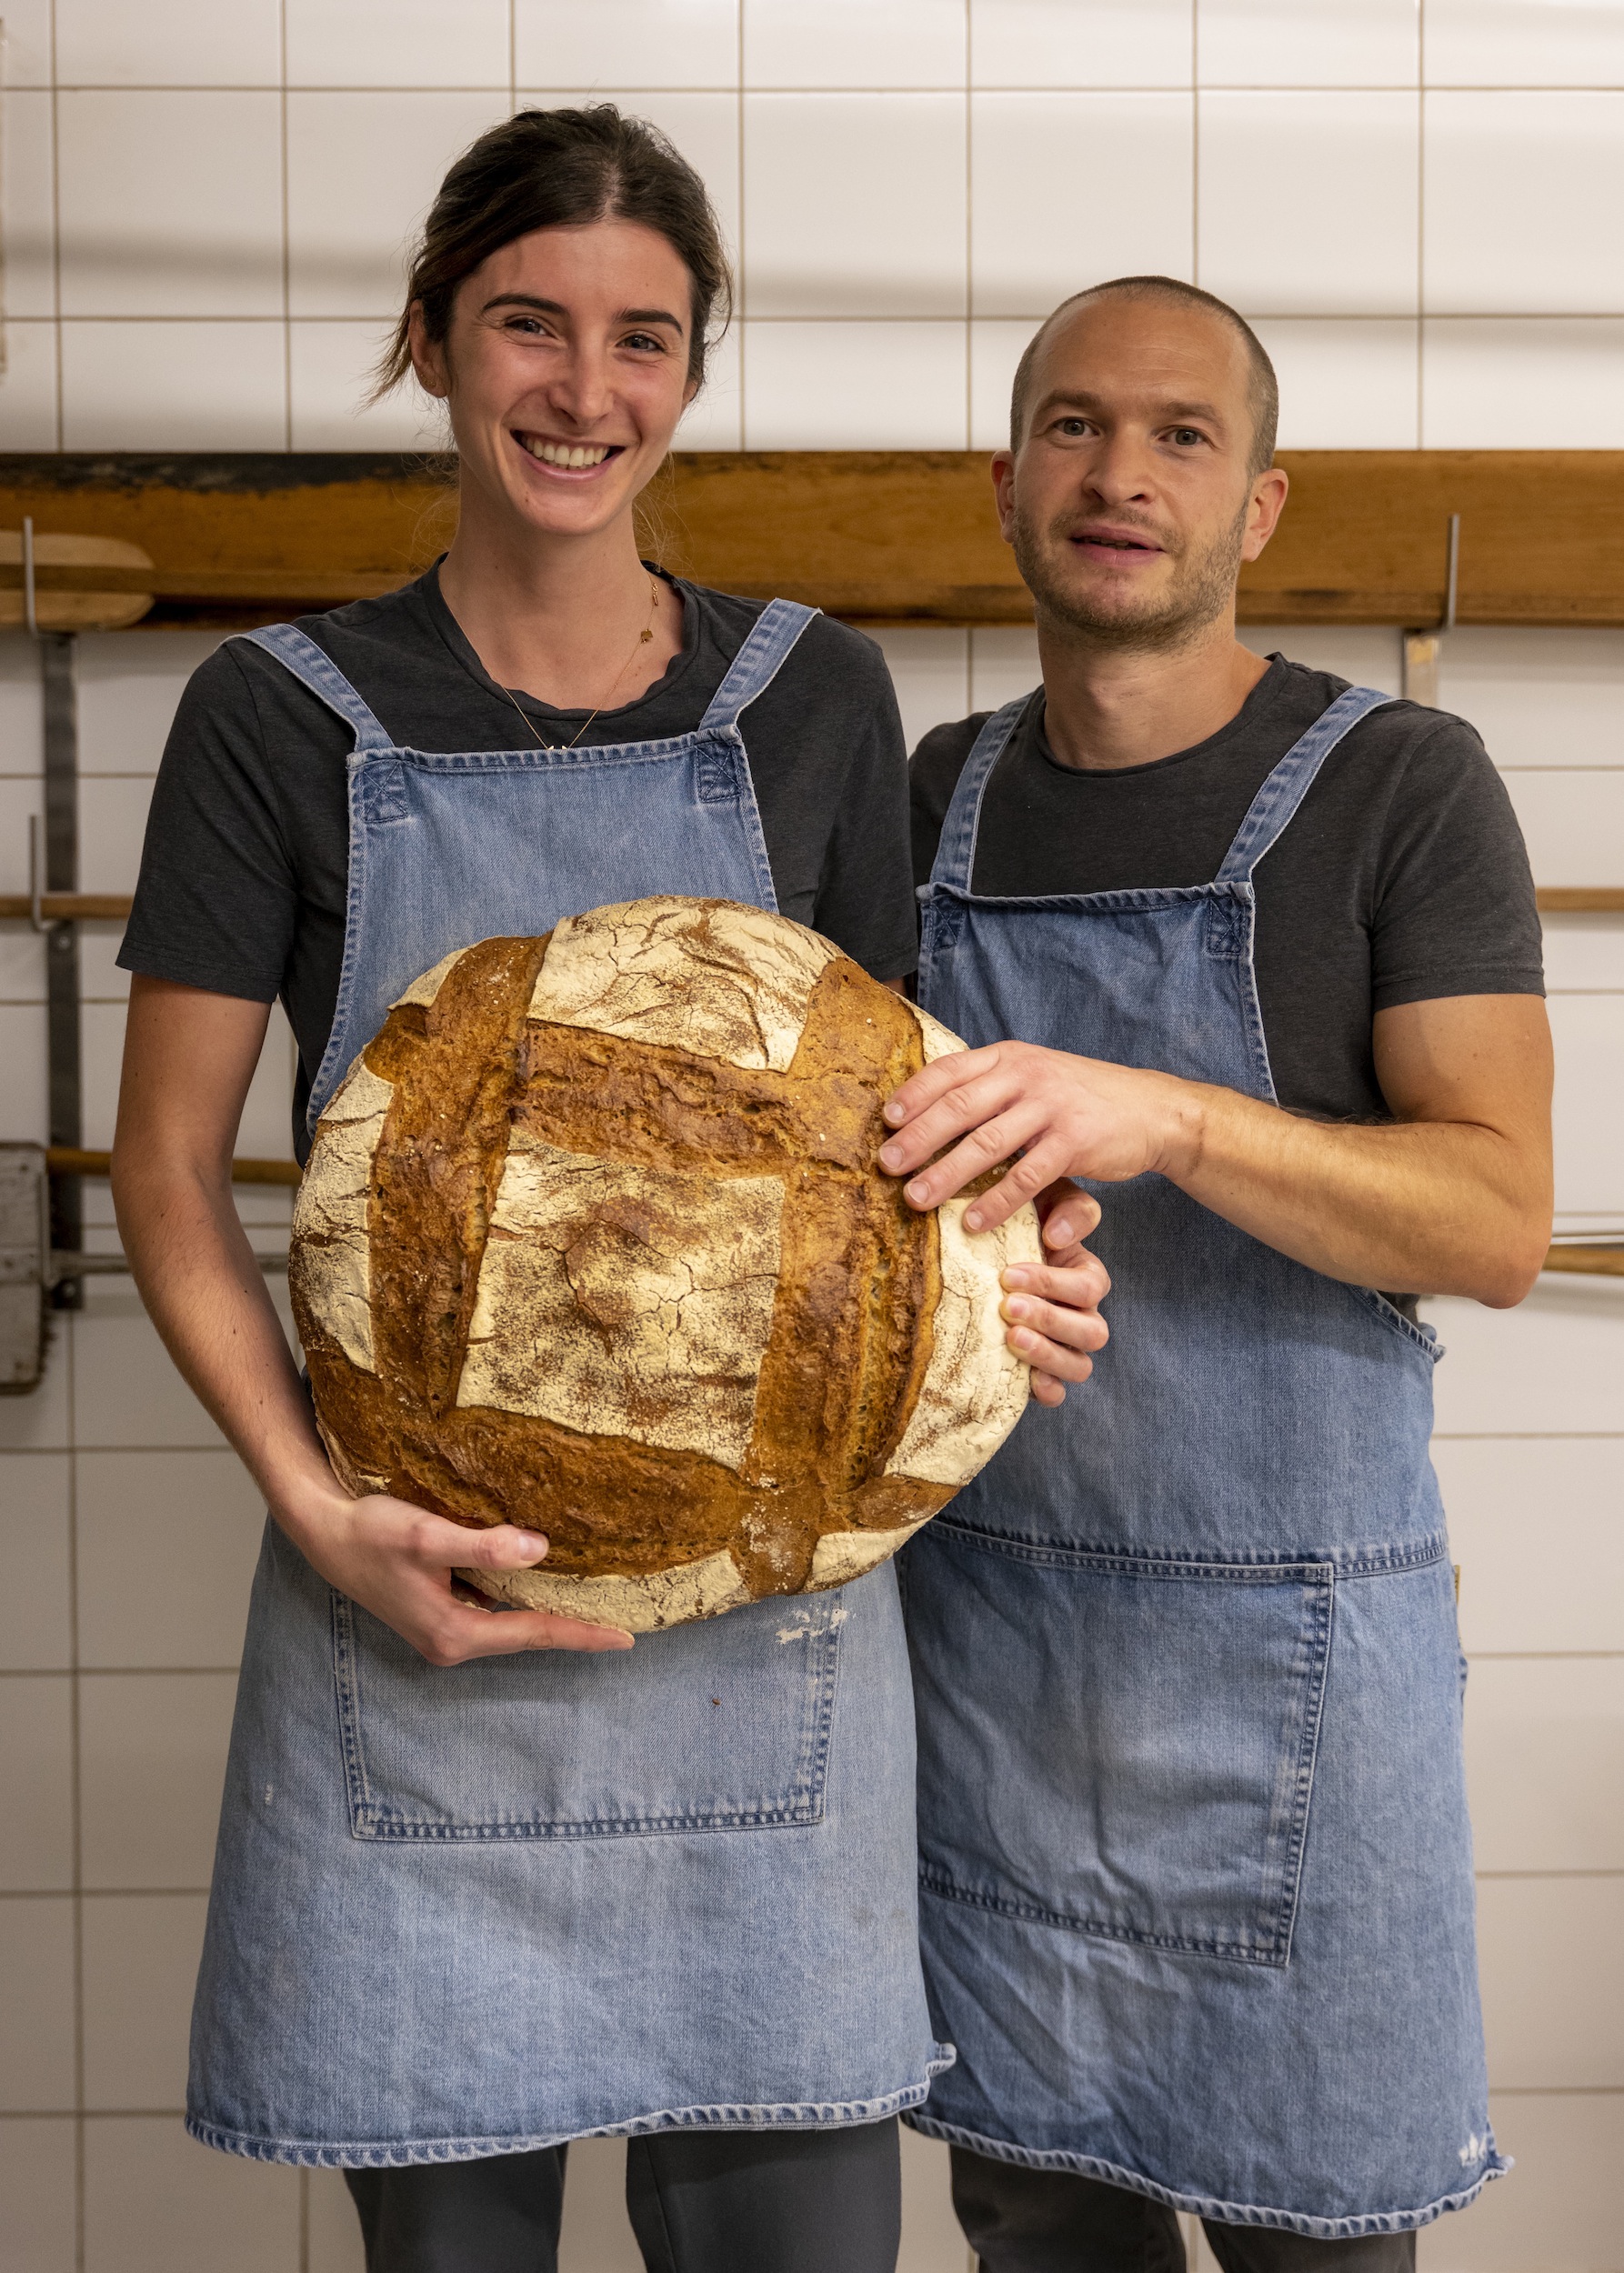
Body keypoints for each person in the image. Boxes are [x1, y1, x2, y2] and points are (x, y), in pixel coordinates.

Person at [108, 107, 1103, 2273]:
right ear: (431, 338)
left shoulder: (809, 694)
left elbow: (897, 1137)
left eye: (642, 337)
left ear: (692, 365)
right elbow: (163, 1165)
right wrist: (310, 1503)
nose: (584, 389)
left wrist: (1014, 1270)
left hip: (770, 1662)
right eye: (527, 325)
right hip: (414, 1617)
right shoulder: (273, 715)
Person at [882, 275, 1553, 2271]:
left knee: (1319, 2241)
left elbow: (1494, 1219)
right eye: (1074, 425)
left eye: (1181, 435)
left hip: (1295, 1688)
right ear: (1007, 481)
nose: (1121, 473)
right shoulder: (924, 803)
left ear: (1255, 505)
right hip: (993, 1662)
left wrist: (1169, 1120)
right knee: (1030, 2228)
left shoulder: (1398, 785)